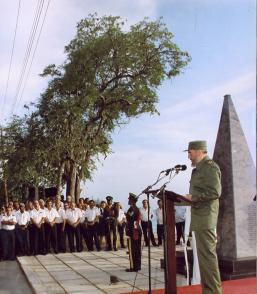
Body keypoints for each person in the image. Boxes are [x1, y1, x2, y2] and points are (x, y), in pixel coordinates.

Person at [183, 140, 222, 294]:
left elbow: (215, 192)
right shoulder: (199, 169)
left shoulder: (210, 167)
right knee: (204, 261)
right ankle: (208, 291)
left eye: (190, 152)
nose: (188, 157)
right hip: (200, 219)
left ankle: (214, 292)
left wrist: (193, 197)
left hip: (206, 219)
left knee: (208, 259)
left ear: (199, 151)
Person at [125, 193, 142, 272]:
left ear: (132, 200)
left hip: (133, 231)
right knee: (137, 249)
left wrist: (127, 229)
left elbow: (130, 220)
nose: (128, 200)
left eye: (129, 199)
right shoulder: (136, 208)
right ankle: (138, 266)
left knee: (132, 250)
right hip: (137, 230)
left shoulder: (132, 209)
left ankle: (133, 267)